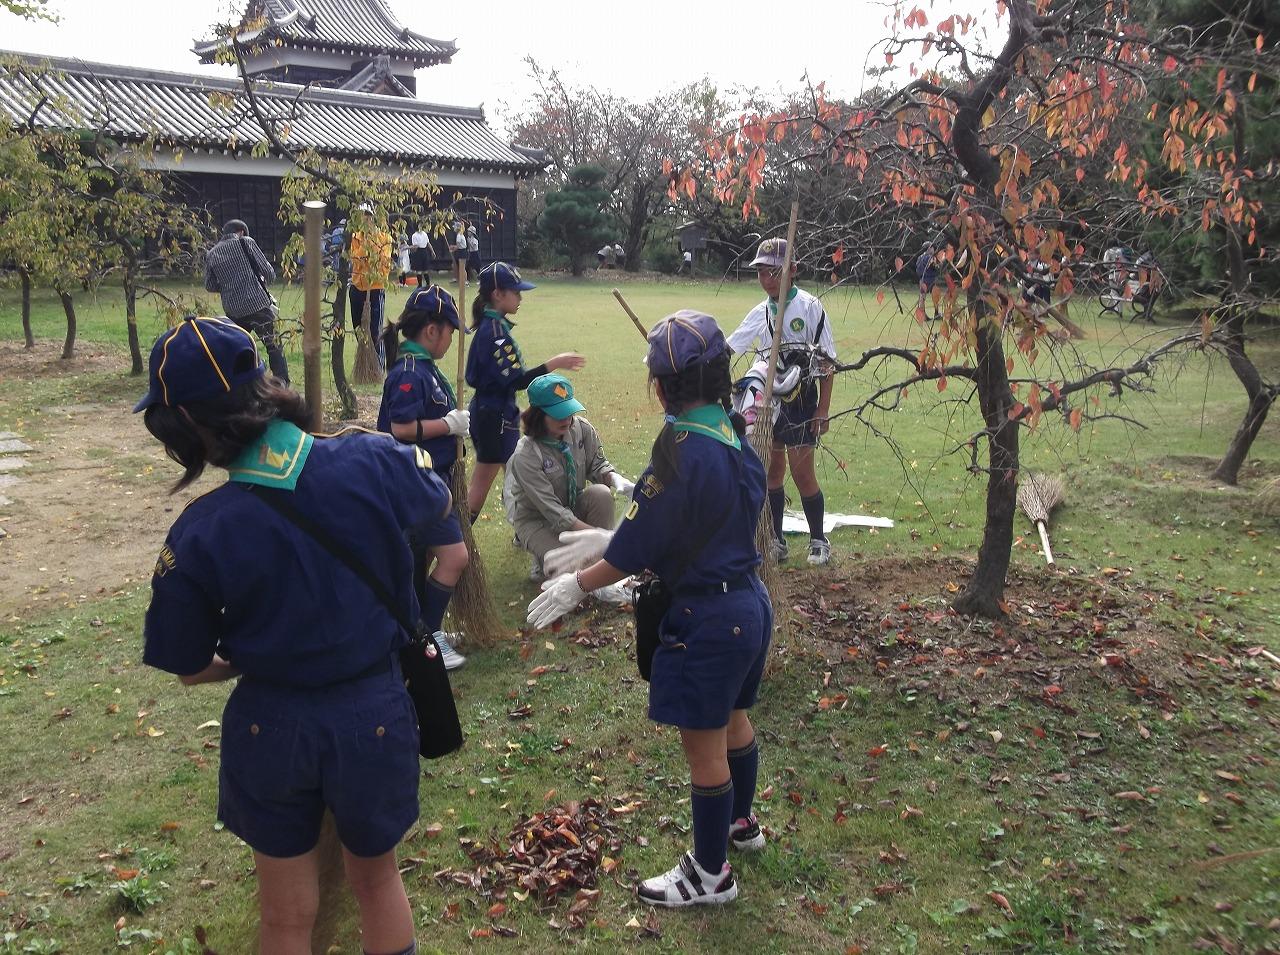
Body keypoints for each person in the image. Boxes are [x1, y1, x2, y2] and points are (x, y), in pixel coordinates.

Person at [136, 315, 446, 955]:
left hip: (270, 729)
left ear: (187, 428)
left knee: (284, 918)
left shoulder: (199, 533)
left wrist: (246, 659)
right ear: (265, 385)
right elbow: (437, 506)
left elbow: (191, 667)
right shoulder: (372, 458)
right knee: (378, 880)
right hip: (376, 714)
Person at [528, 310, 771, 908]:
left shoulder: (678, 447)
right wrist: (619, 533)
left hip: (708, 620)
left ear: (662, 386)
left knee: (704, 748)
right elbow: (692, 516)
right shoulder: (733, 430)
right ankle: (741, 824)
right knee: (736, 719)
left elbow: (640, 545)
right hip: (750, 604)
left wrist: (579, 583)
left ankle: (709, 875)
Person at [377, 285, 473, 669]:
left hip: (432, 480)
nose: (451, 339)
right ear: (431, 330)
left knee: (421, 561)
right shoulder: (410, 372)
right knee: (455, 556)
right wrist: (447, 425)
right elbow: (400, 428)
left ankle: (420, 629)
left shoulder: (424, 369)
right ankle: (428, 636)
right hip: (416, 482)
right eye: (450, 331)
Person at [726, 237, 837, 565]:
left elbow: (828, 363)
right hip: (768, 401)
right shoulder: (761, 312)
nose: (766, 280)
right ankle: (776, 539)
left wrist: (823, 409)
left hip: (802, 400)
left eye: (773, 272)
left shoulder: (810, 307)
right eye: (761, 272)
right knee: (772, 472)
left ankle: (818, 539)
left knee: (803, 474)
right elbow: (731, 346)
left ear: (792, 271)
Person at [464, 262, 585, 519]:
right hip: (492, 417)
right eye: (515, 292)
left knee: (517, 474)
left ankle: (523, 527)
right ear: (498, 294)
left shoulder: (495, 328)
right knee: (480, 485)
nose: (520, 298)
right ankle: (457, 540)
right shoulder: (495, 334)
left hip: (497, 412)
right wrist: (556, 362)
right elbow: (516, 380)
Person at [503, 373, 634, 586]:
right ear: (538, 415)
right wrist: (602, 537)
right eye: (557, 414)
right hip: (538, 521)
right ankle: (543, 556)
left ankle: (598, 554)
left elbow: (598, 465)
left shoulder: (581, 429)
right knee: (573, 572)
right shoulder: (526, 455)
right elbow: (552, 511)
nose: (566, 419)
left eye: (569, 411)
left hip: (572, 506)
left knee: (600, 493)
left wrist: (617, 479)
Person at [204, 219, 290, 383]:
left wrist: (229, 286)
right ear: (242, 231)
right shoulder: (246, 242)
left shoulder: (212, 253)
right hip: (257, 304)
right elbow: (269, 273)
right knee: (274, 345)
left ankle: (236, 383)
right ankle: (281, 382)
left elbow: (209, 285)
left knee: (237, 349)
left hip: (233, 310)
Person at [349, 212, 394, 369]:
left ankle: (377, 367)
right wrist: (365, 245)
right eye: (363, 216)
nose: (365, 220)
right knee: (358, 328)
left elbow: (383, 264)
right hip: (357, 287)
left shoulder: (386, 239)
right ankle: (365, 363)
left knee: (375, 330)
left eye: (368, 216)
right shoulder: (355, 237)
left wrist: (372, 242)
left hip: (375, 288)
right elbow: (355, 260)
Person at [915, 244, 942, 321]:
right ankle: (936, 313)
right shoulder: (931, 257)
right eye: (933, 248)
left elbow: (917, 269)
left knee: (922, 298)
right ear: (929, 248)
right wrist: (940, 264)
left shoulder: (920, 257)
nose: (934, 250)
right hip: (931, 279)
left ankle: (922, 316)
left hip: (922, 280)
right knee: (935, 297)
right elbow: (935, 267)